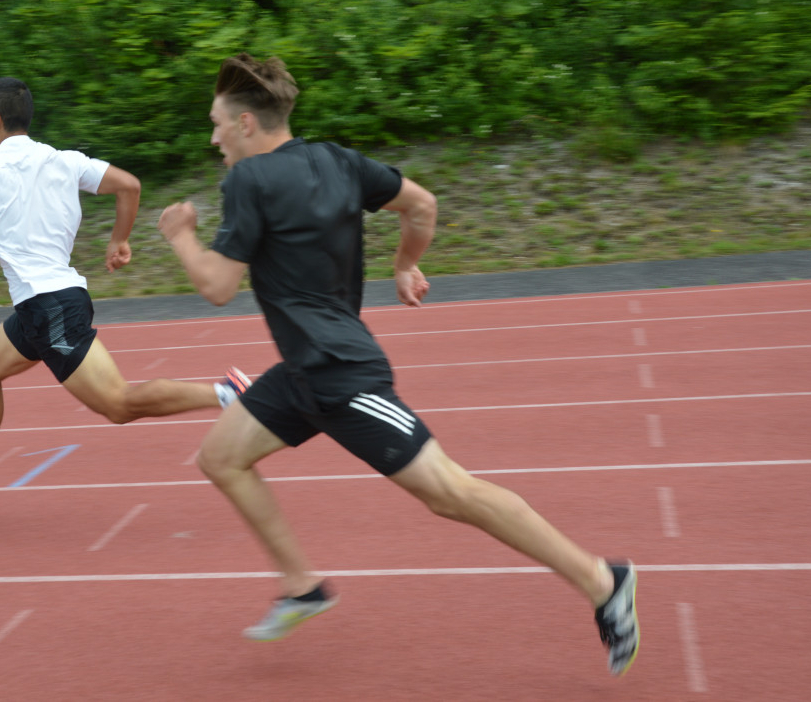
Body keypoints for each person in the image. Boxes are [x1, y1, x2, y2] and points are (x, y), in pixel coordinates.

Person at [157, 54, 639, 676]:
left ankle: (603, 580)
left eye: (217, 123)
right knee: (222, 456)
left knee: (451, 493)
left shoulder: (248, 180)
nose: (214, 137)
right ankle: (301, 586)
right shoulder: (339, 160)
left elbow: (217, 286)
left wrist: (181, 235)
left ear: (245, 122)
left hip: (341, 374)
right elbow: (422, 206)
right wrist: (405, 264)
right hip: (304, 372)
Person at [0, 77, 250, 505]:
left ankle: (227, 393)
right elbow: (129, 185)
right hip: (43, 305)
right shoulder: (63, 160)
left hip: (49, 308)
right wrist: (119, 239)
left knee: (118, 405)